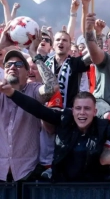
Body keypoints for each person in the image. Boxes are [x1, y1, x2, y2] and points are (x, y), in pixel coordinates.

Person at [0, 82, 110, 182]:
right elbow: (37, 109)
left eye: (87, 109)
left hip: (92, 187)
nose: (82, 113)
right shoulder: (64, 119)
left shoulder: (102, 125)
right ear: (72, 111)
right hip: (62, 186)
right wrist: (12, 93)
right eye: (78, 108)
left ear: (95, 111)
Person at [0, 47, 59, 181]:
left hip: (27, 172)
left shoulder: (33, 90)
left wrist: (36, 57)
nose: (13, 67)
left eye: (19, 64)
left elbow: (53, 87)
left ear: (28, 73)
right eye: (8, 64)